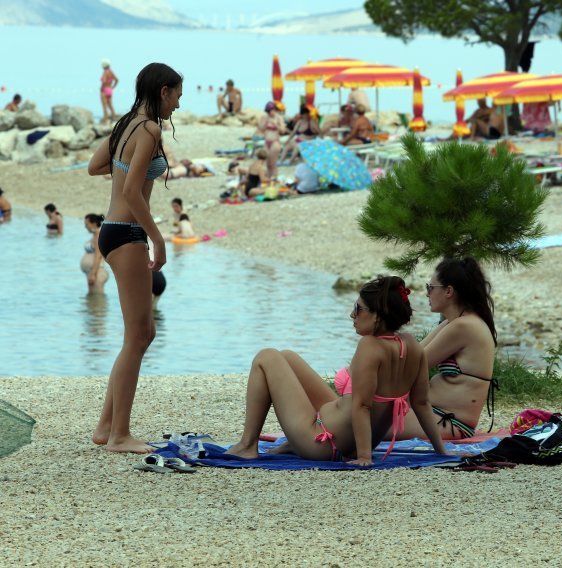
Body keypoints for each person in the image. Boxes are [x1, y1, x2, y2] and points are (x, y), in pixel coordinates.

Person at [225, 276, 448, 465]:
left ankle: (247, 445)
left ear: (377, 316)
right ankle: (290, 444)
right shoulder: (412, 346)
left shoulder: (370, 346)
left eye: (358, 309)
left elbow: (362, 406)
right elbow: (421, 404)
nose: (353, 315)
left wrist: (363, 457)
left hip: (322, 442)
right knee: (287, 357)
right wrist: (441, 452)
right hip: (344, 436)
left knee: (266, 357)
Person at [87, 62, 183, 454]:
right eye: (176, 94)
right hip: (128, 234)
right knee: (137, 336)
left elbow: (96, 167)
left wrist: (126, 164)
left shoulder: (126, 123)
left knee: (143, 334)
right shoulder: (148, 128)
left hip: (113, 232)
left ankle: (106, 426)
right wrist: (158, 240)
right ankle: (119, 436)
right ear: (163, 91)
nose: (177, 104)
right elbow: (130, 193)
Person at [334, 258, 497, 441]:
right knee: (346, 416)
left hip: (447, 421)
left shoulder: (464, 327)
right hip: (436, 414)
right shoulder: (454, 323)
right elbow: (415, 354)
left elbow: (410, 365)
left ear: (449, 291)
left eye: (430, 288)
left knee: (347, 426)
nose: (427, 294)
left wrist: (370, 354)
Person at [254, 101, 288, 179]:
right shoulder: (264, 117)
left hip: (275, 141)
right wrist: (265, 122)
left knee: (273, 163)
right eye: (268, 112)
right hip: (267, 142)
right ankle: (269, 178)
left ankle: (274, 178)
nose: (270, 113)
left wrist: (275, 124)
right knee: (267, 163)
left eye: (271, 111)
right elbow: (261, 129)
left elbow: (283, 130)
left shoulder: (279, 117)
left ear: (274, 110)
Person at [81, 213, 109, 294]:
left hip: (98, 272)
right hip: (94, 271)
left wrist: (93, 273)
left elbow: (98, 255)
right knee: (92, 299)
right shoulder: (95, 235)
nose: (85, 226)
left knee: (97, 299)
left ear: (93, 223)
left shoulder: (98, 235)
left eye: (86, 224)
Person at [100, 60, 119, 125]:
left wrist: (101, 87)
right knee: (111, 106)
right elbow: (117, 80)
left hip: (104, 90)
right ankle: (114, 120)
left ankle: (105, 122)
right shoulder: (111, 72)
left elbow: (104, 81)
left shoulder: (105, 72)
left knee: (105, 107)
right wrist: (113, 87)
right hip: (109, 89)